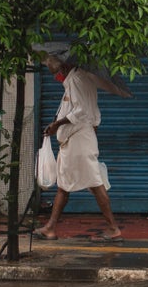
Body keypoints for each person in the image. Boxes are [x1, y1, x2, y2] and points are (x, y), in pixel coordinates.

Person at [34, 55, 122, 242]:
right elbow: (93, 112)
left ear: (63, 66)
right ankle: (50, 227)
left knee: (95, 183)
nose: (54, 75)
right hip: (78, 140)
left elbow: (81, 110)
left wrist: (57, 124)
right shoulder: (81, 79)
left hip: (78, 141)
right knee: (64, 186)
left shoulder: (75, 79)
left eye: (54, 70)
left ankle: (113, 229)